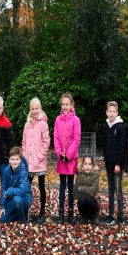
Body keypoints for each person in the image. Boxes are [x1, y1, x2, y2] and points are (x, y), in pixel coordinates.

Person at [54, 93, 81, 224]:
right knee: (61, 186)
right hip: (61, 158)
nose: (65, 106)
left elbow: (76, 139)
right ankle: (61, 215)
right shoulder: (58, 119)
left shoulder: (76, 120)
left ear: (71, 105)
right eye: (63, 104)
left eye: (67, 104)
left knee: (70, 186)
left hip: (70, 159)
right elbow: (56, 138)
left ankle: (70, 214)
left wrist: (68, 155)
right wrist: (60, 154)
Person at [22, 97, 51, 222]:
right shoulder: (27, 124)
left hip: (39, 162)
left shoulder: (43, 124)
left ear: (40, 108)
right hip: (28, 162)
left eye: (37, 108)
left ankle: (42, 212)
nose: (35, 110)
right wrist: (24, 155)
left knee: (41, 186)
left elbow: (46, 142)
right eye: (32, 108)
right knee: (26, 186)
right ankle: (26, 210)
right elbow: (23, 142)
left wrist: (39, 157)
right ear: (30, 109)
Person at [101, 101, 126, 225]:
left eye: (113, 111)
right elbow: (104, 145)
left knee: (118, 189)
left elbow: (122, 147)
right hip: (108, 163)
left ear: (117, 113)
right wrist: (106, 159)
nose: (111, 113)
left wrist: (118, 163)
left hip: (116, 165)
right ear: (106, 112)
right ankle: (111, 215)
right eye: (109, 111)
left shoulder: (120, 127)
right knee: (110, 189)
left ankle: (120, 215)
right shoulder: (105, 126)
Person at [0, 147, 32, 223]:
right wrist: (2, 206)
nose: (14, 162)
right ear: (9, 159)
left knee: (17, 200)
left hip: (24, 198)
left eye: (17, 159)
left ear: (20, 160)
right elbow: (3, 188)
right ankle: (18, 214)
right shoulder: (6, 171)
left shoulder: (23, 172)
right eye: (12, 159)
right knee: (3, 219)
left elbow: (23, 190)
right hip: (11, 198)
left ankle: (23, 218)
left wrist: (10, 191)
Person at [74, 156, 100, 224]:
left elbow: (94, 190)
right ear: (82, 165)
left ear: (92, 165)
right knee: (82, 199)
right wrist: (87, 190)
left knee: (89, 198)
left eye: (89, 164)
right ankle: (84, 216)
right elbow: (76, 191)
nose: (87, 166)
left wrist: (82, 188)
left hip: (93, 202)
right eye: (85, 164)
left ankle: (94, 216)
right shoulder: (79, 174)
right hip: (83, 201)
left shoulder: (96, 174)